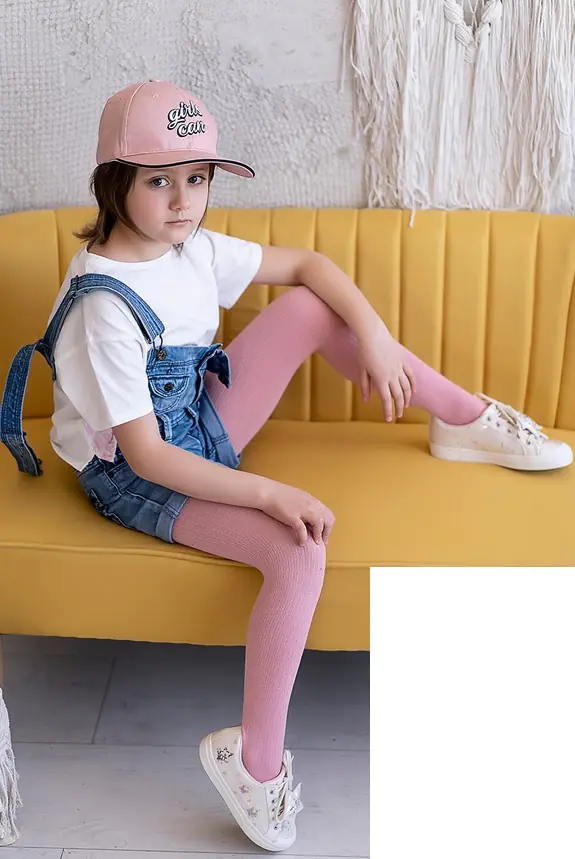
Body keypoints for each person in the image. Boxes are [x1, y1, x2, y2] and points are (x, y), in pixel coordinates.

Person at [0, 80, 572, 852]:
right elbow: (148, 454)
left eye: (197, 177)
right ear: (114, 183)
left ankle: (461, 418)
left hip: (196, 421)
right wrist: (269, 493)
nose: (183, 200)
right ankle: (253, 763)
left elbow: (308, 265)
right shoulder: (103, 306)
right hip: (138, 473)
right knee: (299, 548)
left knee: (306, 306)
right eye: (159, 180)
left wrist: (374, 337)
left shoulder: (189, 248)